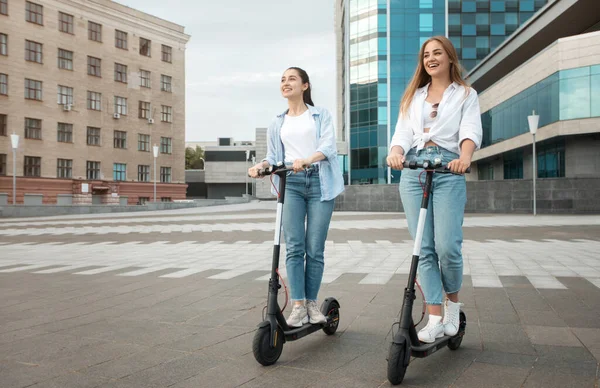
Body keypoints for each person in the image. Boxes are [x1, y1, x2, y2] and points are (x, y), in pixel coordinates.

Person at [386, 36, 482, 343]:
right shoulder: (413, 97)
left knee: (447, 247)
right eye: (426, 54)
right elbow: (402, 133)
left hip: (447, 167)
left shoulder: (466, 94)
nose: (431, 58)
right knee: (422, 248)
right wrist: (396, 153)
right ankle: (435, 315)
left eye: (437, 53)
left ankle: (452, 303)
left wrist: (465, 158)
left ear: (450, 58)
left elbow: (469, 130)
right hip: (414, 169)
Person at [248, 67, 345, 327]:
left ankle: (312, 303)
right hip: (290, 183)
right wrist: (261, 166)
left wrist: (307, 160)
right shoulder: (277, 121)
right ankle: (298, 305)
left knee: (315, 248)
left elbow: (327, 147)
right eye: (282, 79)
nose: (285, 82)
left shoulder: (320, 115)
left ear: (305, 85)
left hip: (319, 181)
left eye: (291, 78)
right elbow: (272, 156)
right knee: (294, 246)